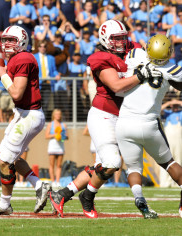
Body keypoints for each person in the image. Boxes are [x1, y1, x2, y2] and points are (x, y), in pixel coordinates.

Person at [48, 20, 157, 218]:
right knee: (113, 162)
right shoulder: (101, 58)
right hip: (103, 115)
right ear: (105, 39)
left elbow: (147, 55)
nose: (121, 42)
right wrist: (141, 76)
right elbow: (116, 86)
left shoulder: (132, 49)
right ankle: (87, 197)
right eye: (116, 39)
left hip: (122, 116)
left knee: (101, 167)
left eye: (123, 37)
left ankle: (62, 195)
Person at [0, 25, 51, 215]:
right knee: (8, 154)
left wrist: (3, 74)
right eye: (5, 40)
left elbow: (17, 93)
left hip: (30, 114)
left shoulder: (24, 58)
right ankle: (39, 186)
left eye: (12, 40)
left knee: (5, 160)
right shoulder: (13, 60)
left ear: (22, 41)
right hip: (22, 113)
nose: (7, 44)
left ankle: (4, 205)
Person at [116, 34, 182, 219]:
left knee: (134, 168)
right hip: (148, 123)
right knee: (169, 164)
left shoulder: (135, 54)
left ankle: (139, 198)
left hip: (125, 122)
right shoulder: (171, 68)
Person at [159, 98, 182, 187]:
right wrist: (170, 103)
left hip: (179, 141)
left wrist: (177, 102)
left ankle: (177, 182)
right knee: (166, 160)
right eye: (174, 106)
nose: (175, 107)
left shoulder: (180, 113)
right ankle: (165, 183)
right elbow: (160, 110)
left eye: (177, 106)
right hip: (168, 141)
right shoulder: (167, 113)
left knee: (179, 159)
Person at [45, 109, 68, 188]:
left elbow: (66, 137)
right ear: (53, 115)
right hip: (52, 146)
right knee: (51, 165)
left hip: (60, 147)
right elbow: (46, 136)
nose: (58, 115)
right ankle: (53, 181)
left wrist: (62, 137)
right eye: (56, 114)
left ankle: (58, 181)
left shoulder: (63, 125)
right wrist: (55, 135)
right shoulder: (50, 124)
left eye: (59, 114)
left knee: (59, 165)